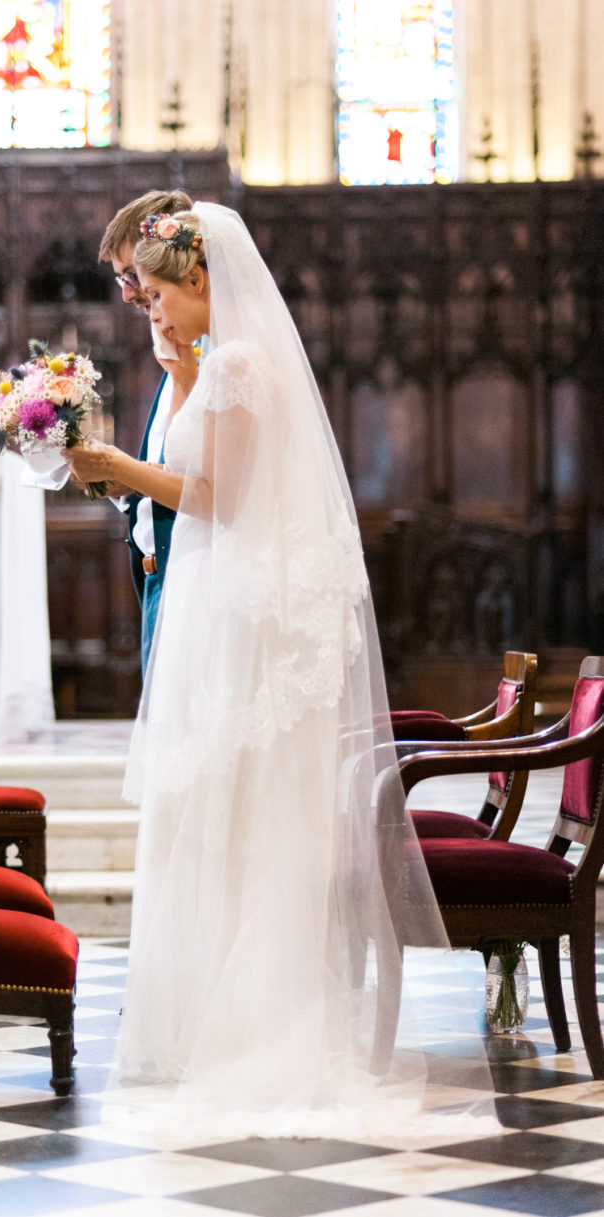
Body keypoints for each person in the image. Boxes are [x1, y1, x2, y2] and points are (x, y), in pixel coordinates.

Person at [67, 203, 496, 1138]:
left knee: (247, 821)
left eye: (163, 291)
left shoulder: (241, 365)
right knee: (214, 818)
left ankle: (260, 1034)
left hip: (231, 613)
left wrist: (115, 466)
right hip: (210, 607)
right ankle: (205, 1022)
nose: (152, 308)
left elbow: (220, 499)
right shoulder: (205, 365)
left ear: (206, 281)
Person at [25, 189, 195, 673]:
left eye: (131, 276)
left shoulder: (207, 359)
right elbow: (180, 466)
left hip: (195, 579)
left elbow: (220, 488)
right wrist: (120, 480)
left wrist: (123, 466)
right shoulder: (174, 354)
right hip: (159, 577)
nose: (126, 294)